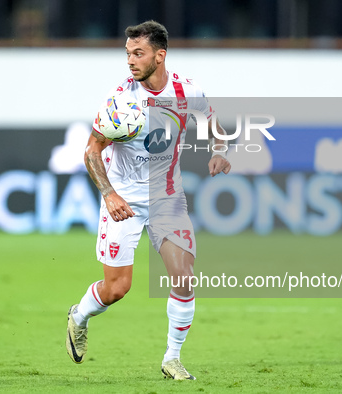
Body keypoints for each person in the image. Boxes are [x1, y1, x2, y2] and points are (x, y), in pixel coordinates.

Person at [66, 21, 231, 380]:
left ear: (160, 55)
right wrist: (109, 194)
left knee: (184, 277)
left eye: (138, 53)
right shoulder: (121, 102)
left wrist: (219, 150)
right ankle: (78, 315)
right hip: (123, 200)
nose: (130, 60)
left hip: (167, 198)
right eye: (127, 53)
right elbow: (92, 151)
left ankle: (172, 357)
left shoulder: (187, 91)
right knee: (116, 289)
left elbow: (213, 123)